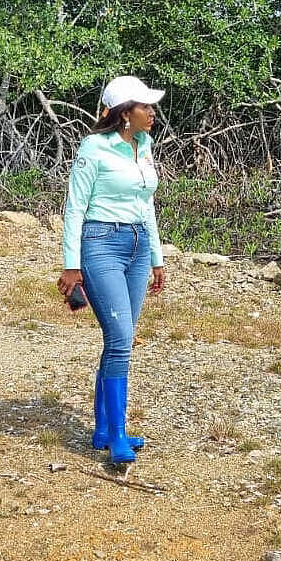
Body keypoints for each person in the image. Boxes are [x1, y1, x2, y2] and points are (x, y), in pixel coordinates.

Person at [57, 76, 167, 465]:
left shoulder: (143, 144)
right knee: (120, 338)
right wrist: (71, 266)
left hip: (137, 244)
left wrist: (156, 256)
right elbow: (74, 207)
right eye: (145, 106)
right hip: (101, 243)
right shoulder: (94, 148)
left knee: (120, 340)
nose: (152, 112)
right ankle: (117, 436)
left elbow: (146, 204)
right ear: (124, 112)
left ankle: (104, 429)